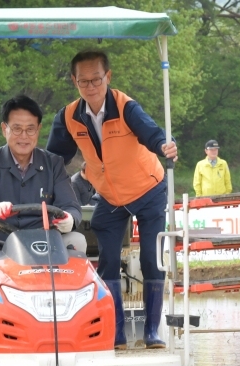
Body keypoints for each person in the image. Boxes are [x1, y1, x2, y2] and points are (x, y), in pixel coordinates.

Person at [47, 50, 178, 350]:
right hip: (109, 194)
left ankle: (152, 333)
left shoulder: (125, 106)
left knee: (150, 259)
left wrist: (164, 146)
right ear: (74, 81)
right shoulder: (68, 116)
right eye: (83, 81)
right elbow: (54, 159)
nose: (91, 87)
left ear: (108, 77)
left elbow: (151, 133)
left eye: (96, 79)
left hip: (148, 189)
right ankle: (116, 333)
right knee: (107, 260)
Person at [0, 95, 87, 313]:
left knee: (77, 239)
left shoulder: (53, 164)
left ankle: (70, 312)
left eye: (30, 129)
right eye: (17, 128)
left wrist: (69, 219)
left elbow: (71, 205)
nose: (24, 136)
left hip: (43, 244)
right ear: (4, 129)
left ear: (38, 130)